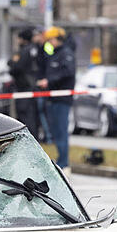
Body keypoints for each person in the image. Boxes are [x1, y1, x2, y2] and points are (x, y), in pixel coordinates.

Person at [36, 26, 75, 170]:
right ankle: (61, 159)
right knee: (56, 131)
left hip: (62, 99)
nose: (49, 43)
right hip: (53, 99)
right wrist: (40, 46)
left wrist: (49, 81)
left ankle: (64, 163)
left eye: (50, 40)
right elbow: (41, 62)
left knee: (61, 131)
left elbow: (68, 72)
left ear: (56, 39)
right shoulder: (55, 53)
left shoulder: (66, 54)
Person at [8, 29, 39, 137]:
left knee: (25, 115)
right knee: (30, 115)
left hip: (24, 86)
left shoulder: (25, 51)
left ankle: (28, 138)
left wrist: (12, 63)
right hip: (30, 86)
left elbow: (17, 67)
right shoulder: (34, 49)